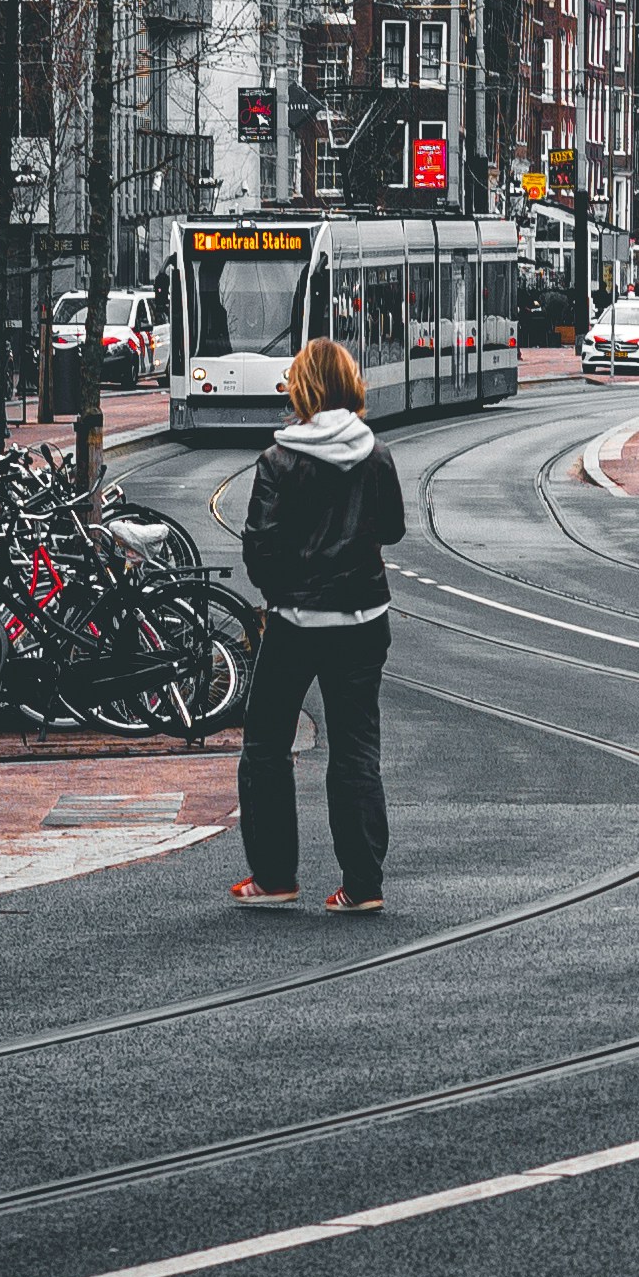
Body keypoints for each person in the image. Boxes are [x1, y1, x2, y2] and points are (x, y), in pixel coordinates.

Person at [233, 334, 403, 909]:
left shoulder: (279, 460)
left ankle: (275, 876)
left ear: (301, 389)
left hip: (296, 623)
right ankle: (362, 884)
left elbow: (258, 547)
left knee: (266, 745)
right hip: (362, 622)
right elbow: (393, 528)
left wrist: (282, 590)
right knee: (356, 748)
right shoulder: (375, 453)